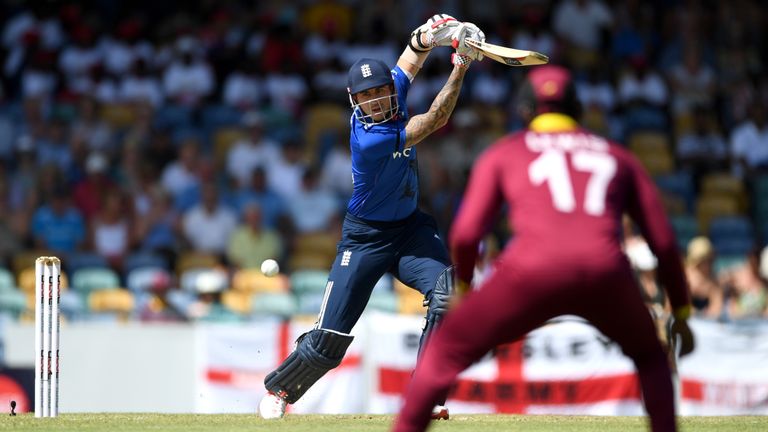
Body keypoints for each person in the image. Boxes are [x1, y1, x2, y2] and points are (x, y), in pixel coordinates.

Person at [393, 65, 695, 432]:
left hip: (529, 272)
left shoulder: (504, 153)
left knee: (443, 354)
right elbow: (664, 243)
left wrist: (464, 289)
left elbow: (466, 234)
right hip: (605, 273)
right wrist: (680, 312)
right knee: (651, 358)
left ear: (523, 111)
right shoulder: (619, 157)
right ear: (578, 110)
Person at [258, 14, 484, 420]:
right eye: (367, 97)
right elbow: (435, 120)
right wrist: (461, 64)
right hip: (365, 238)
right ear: (354, 101)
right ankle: (279, 391)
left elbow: (411, 58)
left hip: (410, 230)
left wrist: (429, 32)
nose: (377, 101)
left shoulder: (392, 93)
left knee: (449, 295)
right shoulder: (369, 139)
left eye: (382, 91)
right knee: (329, 341)